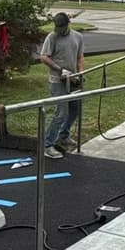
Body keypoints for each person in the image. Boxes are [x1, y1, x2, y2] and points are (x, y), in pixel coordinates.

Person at [39, 11, 84, 157]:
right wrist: (60, 70)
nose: (59, 30)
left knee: (74, 110)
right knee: (61, 113)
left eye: (61, 27)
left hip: (73, 80)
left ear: (67, 24)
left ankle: (63, 136)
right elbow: (44, 57)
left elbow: (79, 57)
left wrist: (79, 73)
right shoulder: (52, 37)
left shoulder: (78, 36)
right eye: (57, 27)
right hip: (57, 80)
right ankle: (48, 145)